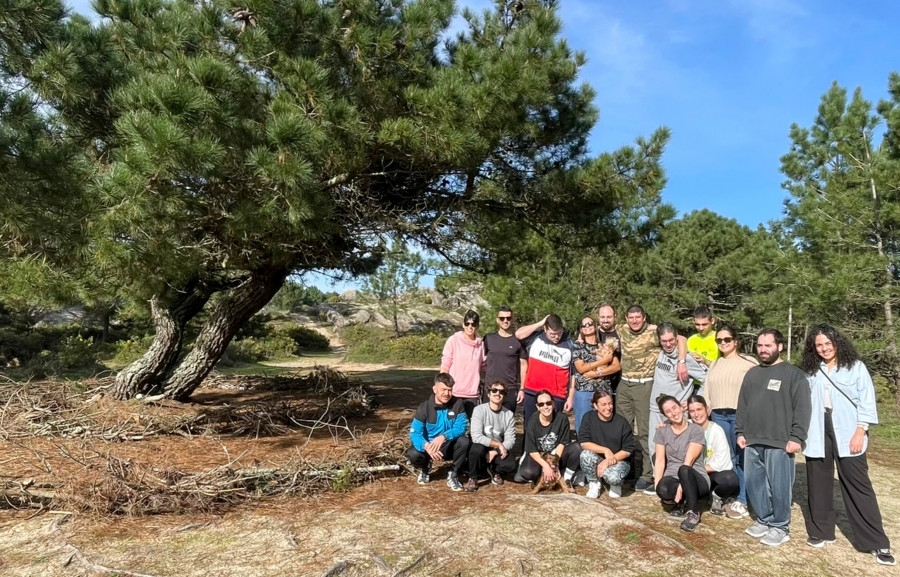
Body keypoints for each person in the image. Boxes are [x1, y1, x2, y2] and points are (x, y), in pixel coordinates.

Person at [799, 325, 894, 565]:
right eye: (819, 345)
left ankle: (876, 542)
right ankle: (820, 531)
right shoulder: (811, 370)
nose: (824, 348)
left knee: (857, 485)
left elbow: (867, 400)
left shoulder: (855, 367)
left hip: (849, 429)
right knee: (818, 481)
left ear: (837, 342)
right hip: (818, 429)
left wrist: (860, 430)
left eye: (827, 343)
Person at [736, 328, 811, 547]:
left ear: (779, 346)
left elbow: (803, 409)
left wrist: (797, 437)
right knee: (754, 483)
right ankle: (764, 519)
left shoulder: (793, 374)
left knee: (780, 486)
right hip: (752, 440)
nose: (763, 349)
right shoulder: (752, 373)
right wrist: (740, 432)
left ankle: (780, 526)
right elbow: (743, 405)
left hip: (780, 442)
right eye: (760, 345)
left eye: (768, 345)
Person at [615, 305, 688, 494]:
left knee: (645, 431)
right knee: (623, 430)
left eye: (638, 317)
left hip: (644, 385)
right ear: (626, 318)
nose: (634, 320)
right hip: (624, 384)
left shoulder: (654, 331)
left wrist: (681, 362)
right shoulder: (621, 329)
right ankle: (625, 470)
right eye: (631, 317)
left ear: (644, 317)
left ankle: (647, 474)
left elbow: (681, 339)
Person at [704, 323, 758, 520]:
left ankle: (743, 498)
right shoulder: (715, 364)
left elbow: (756, 390)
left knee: (742, 458)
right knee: (726, 458)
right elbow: (707, 390)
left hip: (739, 415)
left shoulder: (748, 362)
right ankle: (729, 494)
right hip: (718, 415)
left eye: (727, 339)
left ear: (735, 341)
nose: (723, 343)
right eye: (719, 340)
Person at [648, 323, 707, 461]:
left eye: (671, 340)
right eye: (664, 341)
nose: (668, 344)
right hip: (656, 409)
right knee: (655, 447)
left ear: (676, 339)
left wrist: (694, 400)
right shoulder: (660, 353)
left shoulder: (687, 359)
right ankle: (658, 480)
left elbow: (708, 378)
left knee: (677, 449)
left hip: (677, 411)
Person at [653, 394, 709, 532]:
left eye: (675, 408)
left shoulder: (696, 429)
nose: (673, 413)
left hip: (694, 475)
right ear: (664, 415)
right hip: (673, 475)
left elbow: (688, 462)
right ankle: (681, 502)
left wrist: (681, 486)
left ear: (681, 407)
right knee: (663, 489)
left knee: (684, 470)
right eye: (668, 411)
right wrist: (657, 486)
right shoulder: (662, 431)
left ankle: (693, 511)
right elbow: (660, 460)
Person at [407, 373, 471, 492]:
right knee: (413, 454)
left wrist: (444, 436)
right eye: (443, 390)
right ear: (435, 389)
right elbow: (415, 433)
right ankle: (425, 467)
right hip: (429, 447)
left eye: (449, 390)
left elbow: (461, 427)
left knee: (464, 441)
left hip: (448, 445)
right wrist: (426, 446)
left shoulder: (458, 404)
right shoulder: (424, 408)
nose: (447, 394)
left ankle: (453, 474)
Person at [516, 314, 575, 425]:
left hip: (556, 396)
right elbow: (518, 334)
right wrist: (540, 323)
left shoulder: (569, 344)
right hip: (532, 392)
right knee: (530, 427)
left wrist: (571, 397)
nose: (556, 337)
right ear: (545, 329)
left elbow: (573, 374)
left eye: (559, 333)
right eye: (552, 334)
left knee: (552, 430)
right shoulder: (535, 338)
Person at [687, 395, 740, 516]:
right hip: (691, 474)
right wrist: (663, 425)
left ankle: (716, 495)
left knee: (730, 480)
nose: (696, 414)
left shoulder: (717, 430)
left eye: (699, 409)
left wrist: (699, 469)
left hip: (710, 473)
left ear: (707, 409)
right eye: (692, 411)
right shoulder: (686, 426)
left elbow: (724, 463)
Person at [577, 389, 635, 499]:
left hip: (618, 460)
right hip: (598, 457)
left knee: (613, 477)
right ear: (595, 405)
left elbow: (628, 450)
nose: (608, 408)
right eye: (603, 404)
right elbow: (584, 443)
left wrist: (607, 462)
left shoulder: (621, 422)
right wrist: (605, 450)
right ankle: (594, 483)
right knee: (585, 455)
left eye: (610, 403)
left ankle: (615, 484)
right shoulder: (588, 418)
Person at [514, 389, 580, 484]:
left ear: (553, 404)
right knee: (527, 473)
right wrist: (546, 466)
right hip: (539, 454)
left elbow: (562, 443)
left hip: (555, 454)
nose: (545, 407)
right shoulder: (532, 421)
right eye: (541, 404)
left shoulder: (562, 418)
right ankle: (538, 471)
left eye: (548, 403)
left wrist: (555, 463)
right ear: (537, 406)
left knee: (577, 447)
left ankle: (567, 478)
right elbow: (532, 450)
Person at [465, 381, 518, 491]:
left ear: (504, 396)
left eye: (501, 392)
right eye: (494, 390)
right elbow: (476, 436)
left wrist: (496, 451)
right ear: (489, 394)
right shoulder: (479, 410)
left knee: (511, 465)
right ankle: (473, 477)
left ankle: (494, 471)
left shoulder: (508, 414)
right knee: (476, 450)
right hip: (481, 445)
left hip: (497, 449)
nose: (497, 393)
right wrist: (498, 444)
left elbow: (511, 440)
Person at [572, 315, 619, 431]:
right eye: (584, 325)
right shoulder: (578, 346)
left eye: (590, 324)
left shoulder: (605, 345)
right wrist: (604, 361)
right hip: (585, 392)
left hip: (603, 392)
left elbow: (616, 366)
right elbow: (581, 368)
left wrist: (597, 374)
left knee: (605, 427)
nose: (587, 326)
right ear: (581, 330)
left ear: (596, 326)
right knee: (584, 426)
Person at [440, 309, 485, 418]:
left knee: (473, 428)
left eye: (473, 324)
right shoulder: (453, 340)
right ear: (463, 325)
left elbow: (485, 366)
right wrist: (442, 387)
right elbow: (445, 365)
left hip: (472, 395)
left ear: (477, 326)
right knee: (452, 425)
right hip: (454, 393)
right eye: (467, 323)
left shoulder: (481, 345)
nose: (470, 327)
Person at [482, 306, 527, 413]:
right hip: (490, 388)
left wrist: (522, 389)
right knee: (488, 425)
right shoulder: (489, 338)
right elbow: (480, 360)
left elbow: (524, 365)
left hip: (509, 389)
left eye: (508, 318)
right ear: (497, 320)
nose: (505, 321)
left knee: (507, 423)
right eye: (502, 318)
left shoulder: (519, 341)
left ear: (512, 319)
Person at [596, 304, 622, 398]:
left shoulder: (622, 333)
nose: (606, 320)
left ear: (615, 317)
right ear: (598, 317)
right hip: (598, 383)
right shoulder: (593, 334)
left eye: (609, 317)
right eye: (603, 317)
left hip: (619, 382)